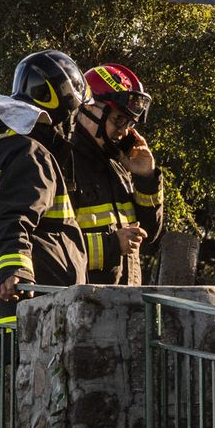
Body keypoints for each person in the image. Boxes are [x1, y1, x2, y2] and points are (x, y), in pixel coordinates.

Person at [0, 49, 89, 322]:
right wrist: (16, 267)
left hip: (5, 313)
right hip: (36, 312)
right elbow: (12, 215)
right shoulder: (29, 152)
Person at [72, 63, 163, 285]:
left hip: (125, 306)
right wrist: (112, 245)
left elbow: (150, 235)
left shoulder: (118, 166)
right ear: (89, 109)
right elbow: (51, 251)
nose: (124, 132)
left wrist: (146, 178)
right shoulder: (61, 164)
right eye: (118, 120)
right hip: (80, 309)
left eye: (130, 123)